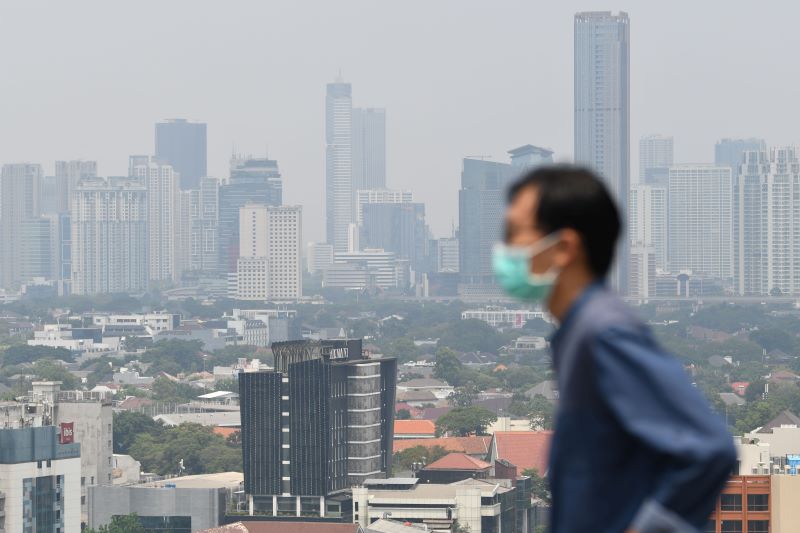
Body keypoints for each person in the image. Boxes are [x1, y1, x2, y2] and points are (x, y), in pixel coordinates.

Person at [493, 166, 737, 533]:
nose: (505, 250)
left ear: (564, 248)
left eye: (515, 234)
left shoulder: (602, 332)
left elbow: (710, 449)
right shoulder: (577, 332)